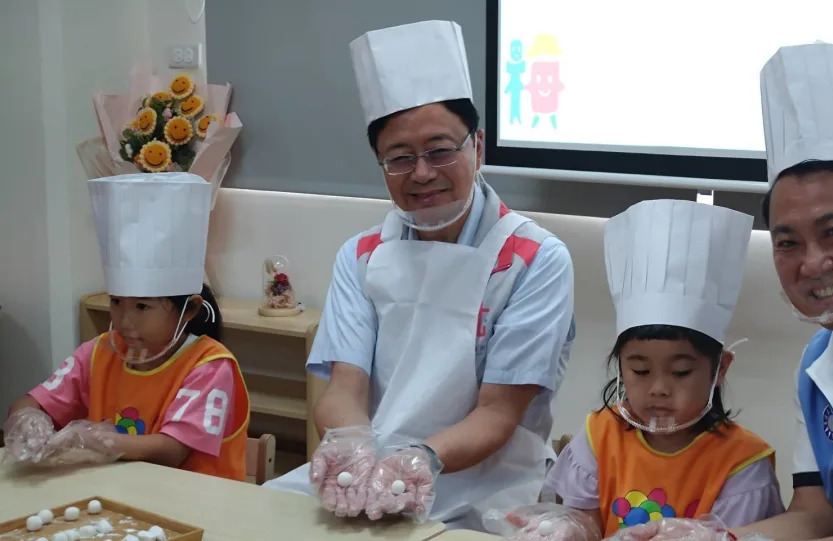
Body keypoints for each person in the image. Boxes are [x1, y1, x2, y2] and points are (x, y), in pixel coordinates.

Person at [623, 42, 833, 541]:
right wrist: (722, 538)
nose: (813, 263)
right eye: (787, 242)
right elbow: (816, 512)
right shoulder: (819, 361)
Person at [264, 20, 575, 530]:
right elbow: (345, 387)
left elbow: (498, 412)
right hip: (370, 472)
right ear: (379, 163)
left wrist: (421, 460)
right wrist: (350, 446)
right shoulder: (362, 255)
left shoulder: (533, 259)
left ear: (478, 147)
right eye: (400, 158)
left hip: (484, 486)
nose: (423, 173)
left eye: (440, 150)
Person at [491, 200, 784, 541]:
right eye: (641, 371)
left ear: (720, 370)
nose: (659, 388)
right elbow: (589, 527)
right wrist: (567, 528)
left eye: (681, 372)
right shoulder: (599, 437)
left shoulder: (742, 464)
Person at [2, 173, 250, 480]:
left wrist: (94, 439)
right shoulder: (98, 353)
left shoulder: (210, 366)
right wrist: (28, 419)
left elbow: (171, 451)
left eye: (142, 306)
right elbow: (31, 402)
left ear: (190, 310)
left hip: (197, 506)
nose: (125, 321)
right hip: (114, 497)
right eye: (117, 302)